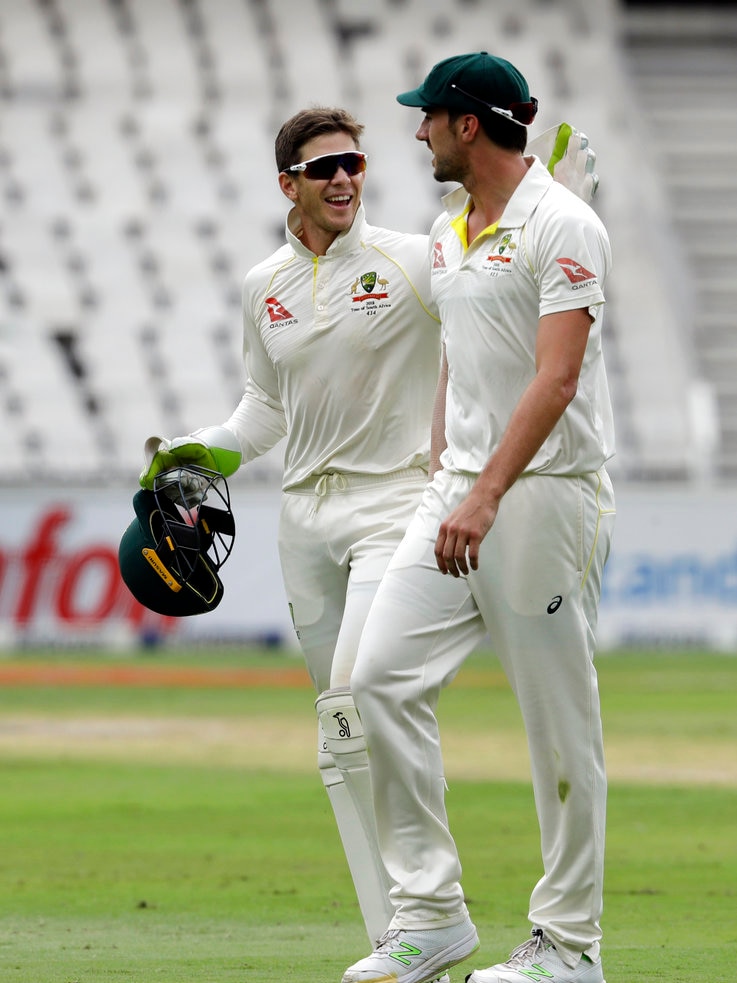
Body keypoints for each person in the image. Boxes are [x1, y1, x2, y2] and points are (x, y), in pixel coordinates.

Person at [139, 104, 600, 968]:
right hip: (303, 521)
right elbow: (265, 408)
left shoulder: (410, 255)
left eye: (353, 162)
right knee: (339, 739)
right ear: (289, 186)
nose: (345, 177)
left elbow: (494, 281)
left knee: (362, 690)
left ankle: (434, 908)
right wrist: (200, 453)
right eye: (324, 169)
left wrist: (550, 201)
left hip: (394, 505)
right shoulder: (262, 284)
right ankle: (401, 933)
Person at [343, 52, 615, 983]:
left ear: (466, 124)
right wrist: (444, 468)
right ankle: (431, 914)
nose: (415, 132)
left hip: (542, 493)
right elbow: (464, 356)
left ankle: (569, 946)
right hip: (458, 487)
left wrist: (490, 489)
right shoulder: (449, 228)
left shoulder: (564, 224)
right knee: (374, 680)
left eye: (428, 117)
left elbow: (556, 377)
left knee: (558, 724)